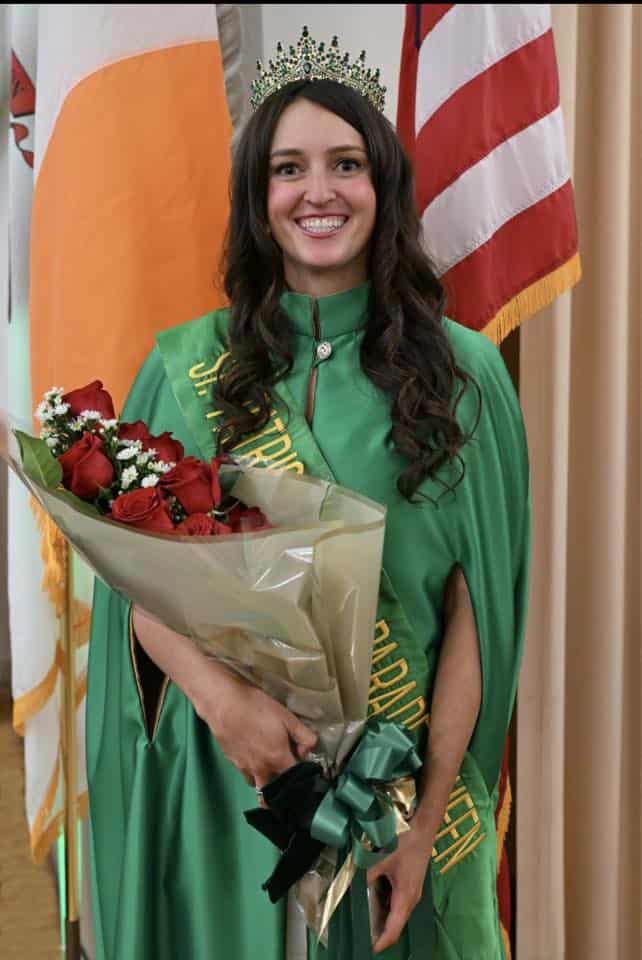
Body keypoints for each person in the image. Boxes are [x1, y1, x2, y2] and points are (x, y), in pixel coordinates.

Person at [87, 27, 530, 960]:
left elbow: (475, 620)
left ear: (384, 186)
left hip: (392, 796)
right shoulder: (184, 369)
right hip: (224, 785)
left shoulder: (466, 378)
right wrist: (225, 707)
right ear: (259, 199)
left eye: (346, 164)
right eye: (288, 169)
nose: (317, 191)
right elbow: (137, 588)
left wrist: (425, 828)